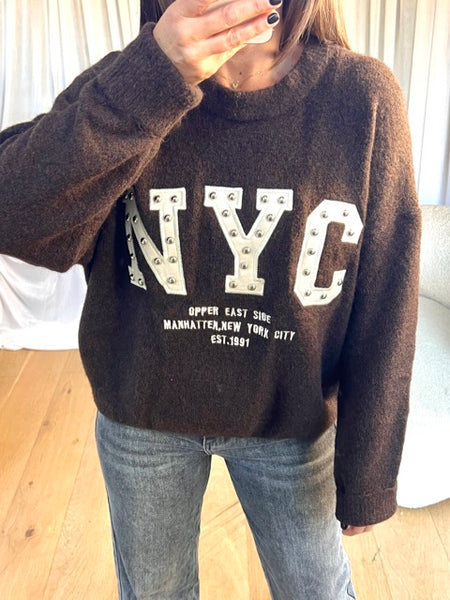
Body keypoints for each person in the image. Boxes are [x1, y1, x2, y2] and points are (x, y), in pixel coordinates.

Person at [0, 0, 421, 598]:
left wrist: (369, 470)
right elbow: (14, 213)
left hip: (291, 423)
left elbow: (386, 298)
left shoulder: (362, 97)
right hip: (142, 417)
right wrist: (156, 76)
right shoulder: (128, 81)